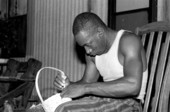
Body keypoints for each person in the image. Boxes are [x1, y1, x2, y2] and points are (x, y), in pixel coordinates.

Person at [54, 12, 148, 112]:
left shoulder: (128, 41)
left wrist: (85, 88)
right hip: (105, 100)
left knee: (65, 109)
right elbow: (87, 82)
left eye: (88, 44)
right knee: (50, 106)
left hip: (130, 104)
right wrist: (70, 85)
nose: (87, 51)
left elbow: (133, 86)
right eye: (83, 47)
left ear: (100, 32)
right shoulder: (92, 54)